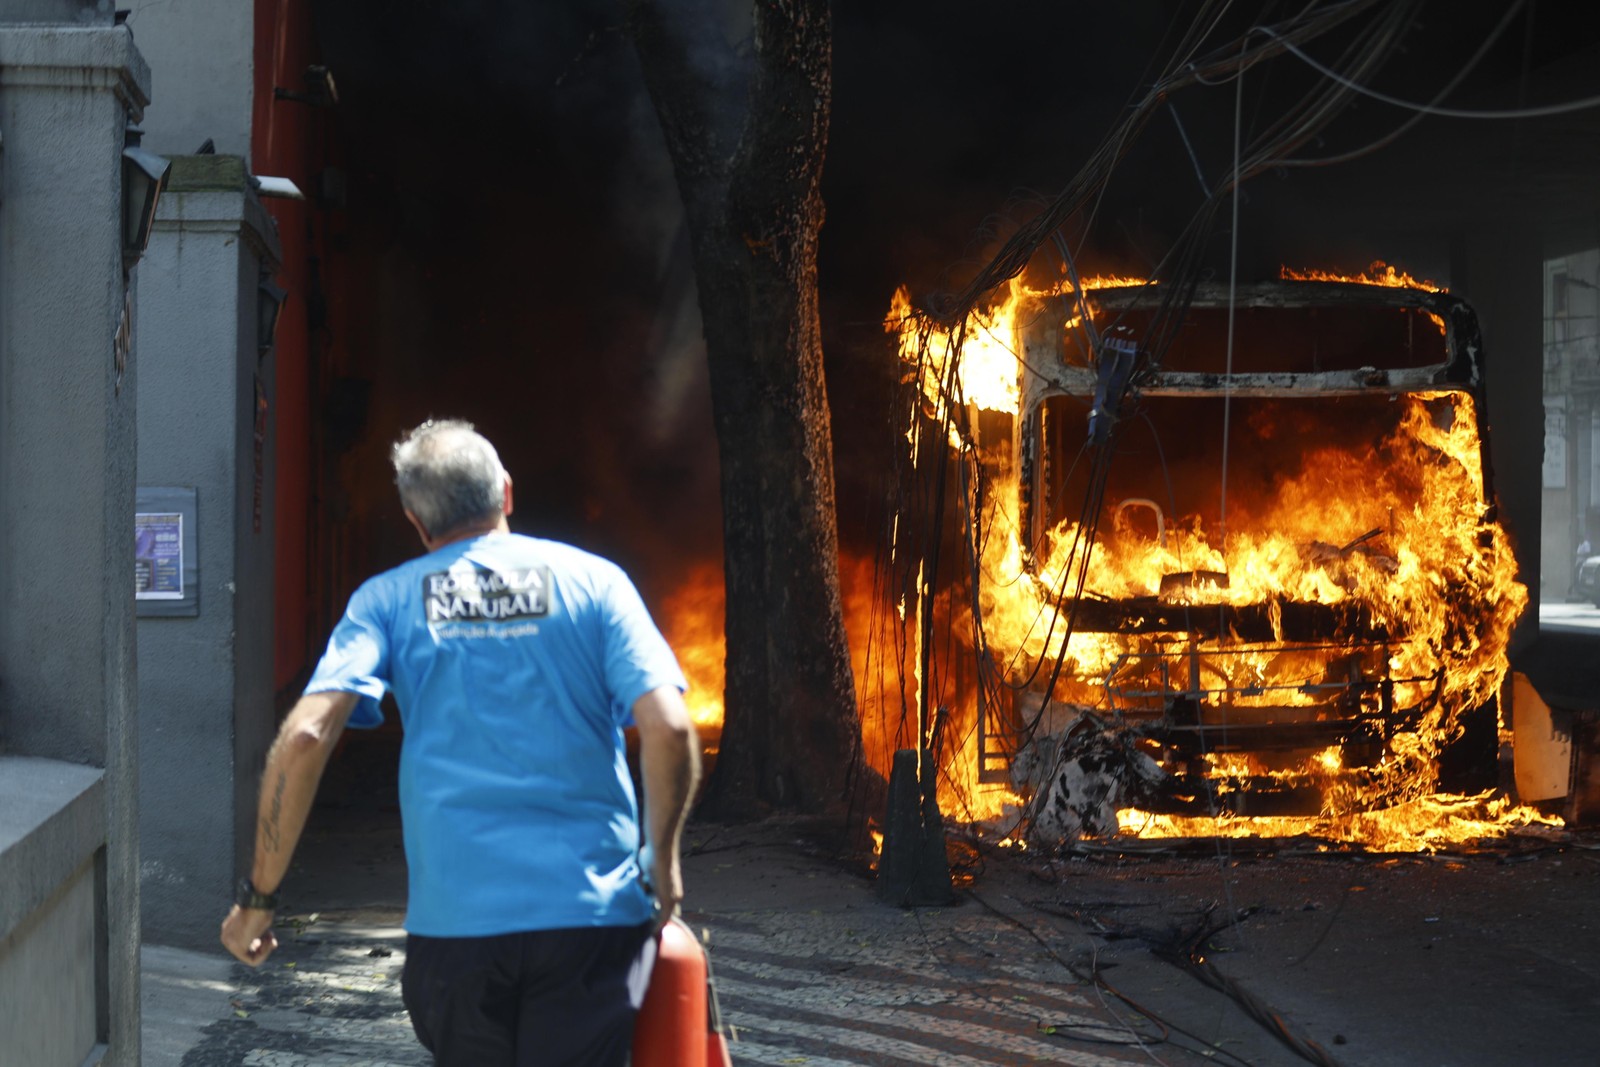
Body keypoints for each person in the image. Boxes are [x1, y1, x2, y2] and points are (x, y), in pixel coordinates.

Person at [220, 419, 701, 1066]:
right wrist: (661, 859)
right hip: (593, 923)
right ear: (506, 492)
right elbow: (670, 726)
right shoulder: (597, 582)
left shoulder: (385, 600)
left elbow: (306, 733)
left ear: (415, 520)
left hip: (456, 934)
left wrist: (259, 898)